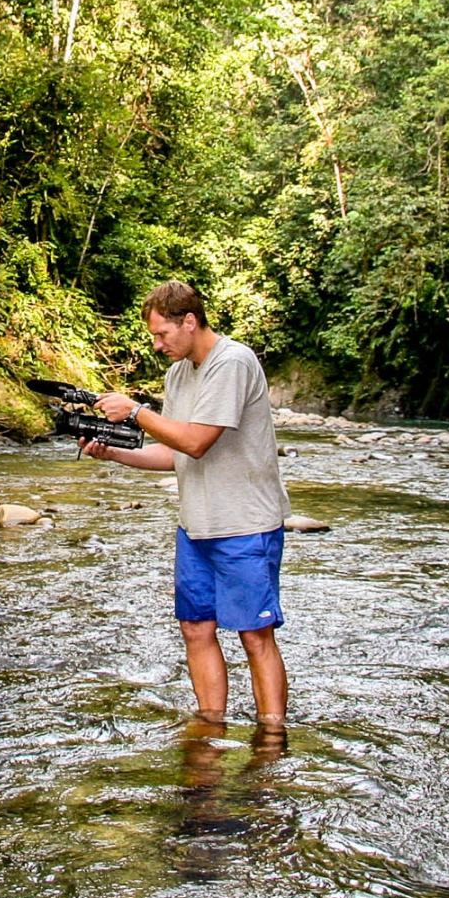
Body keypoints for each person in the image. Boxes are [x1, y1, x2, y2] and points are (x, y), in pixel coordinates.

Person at [78, 282, 290, 731]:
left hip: (245, 524)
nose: (157, 345)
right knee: (196, 629)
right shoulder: (178, 374)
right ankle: (210, 727)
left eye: (162, 335)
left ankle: (272, 737)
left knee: (255, 636)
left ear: (189, 322)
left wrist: (135, 412)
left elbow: (196, 441)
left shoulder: (232, 361)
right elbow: (174, 452)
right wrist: (114, 452)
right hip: (197, 526)